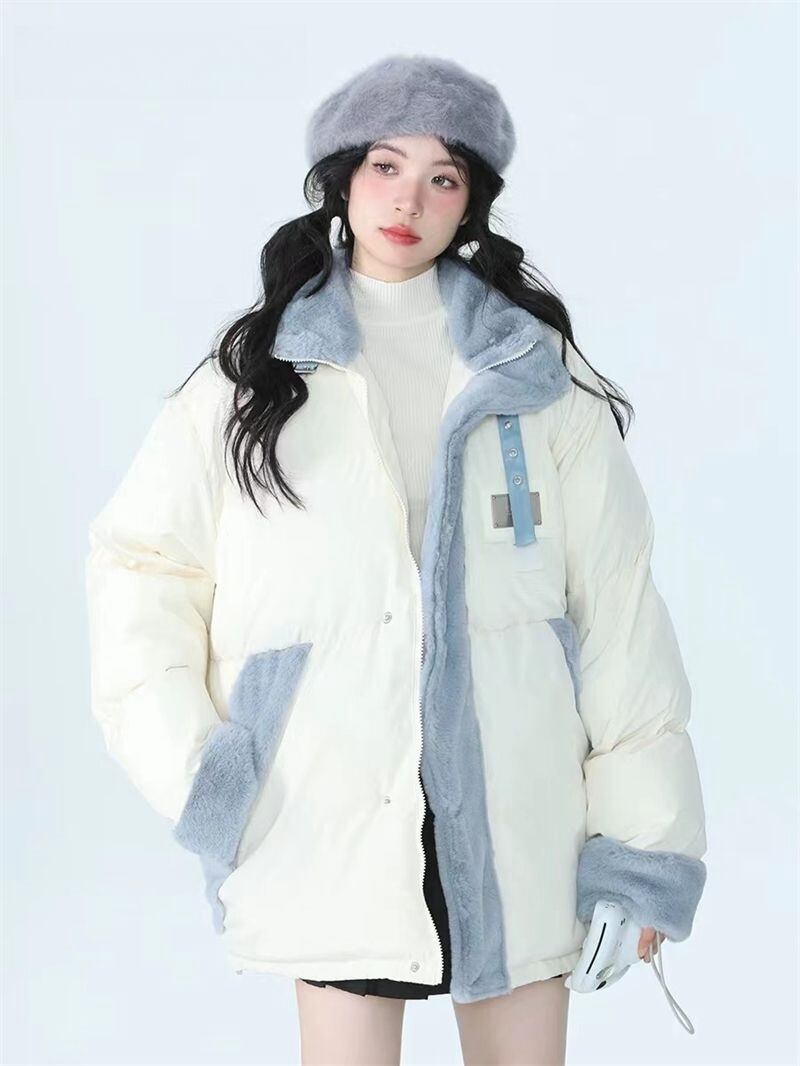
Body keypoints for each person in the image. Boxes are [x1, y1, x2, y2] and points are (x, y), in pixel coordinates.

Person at [84, 54, 708, 1065]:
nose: (407, 200)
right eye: (384, 166)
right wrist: (205, 774)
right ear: (342, 179)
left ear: (471, 203)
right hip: (321, 815)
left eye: (441, 177)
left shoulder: (534, 379)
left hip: (517, 817)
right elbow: (141, 568)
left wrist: (640, 852)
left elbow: (618, 615)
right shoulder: (253, 377)